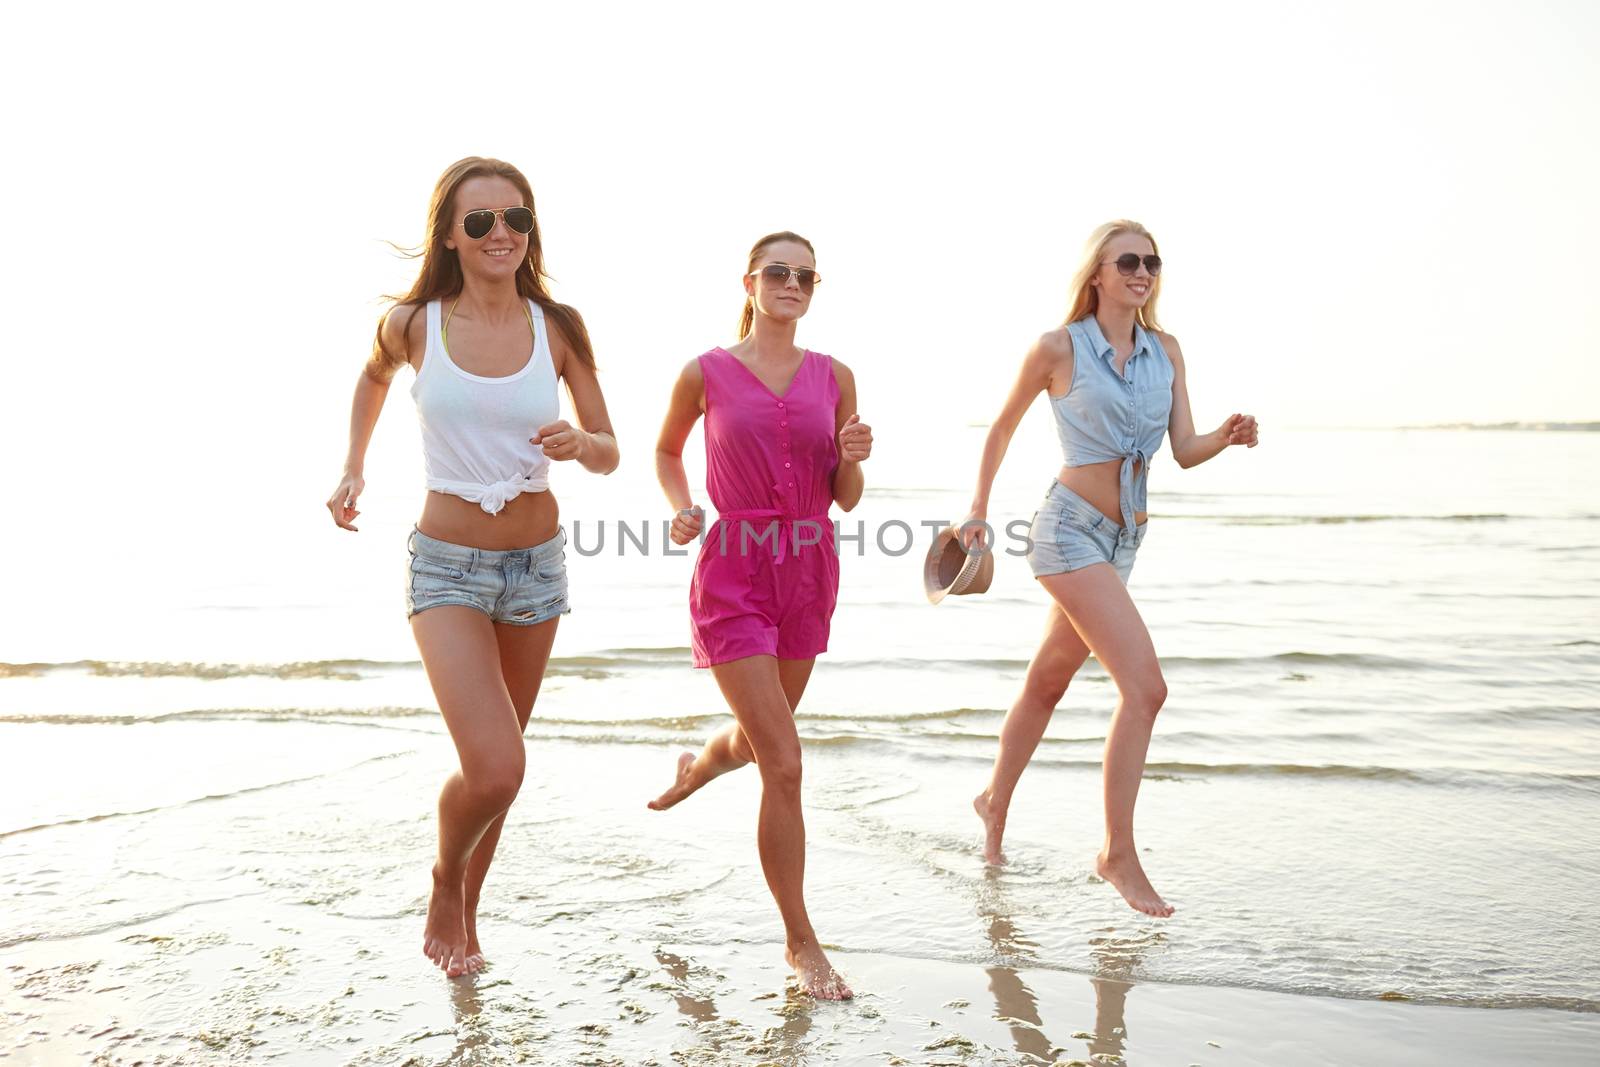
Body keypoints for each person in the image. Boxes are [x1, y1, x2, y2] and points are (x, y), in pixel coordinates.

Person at [325, 157, 617, 977]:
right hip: (447, 568)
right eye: (481, 221)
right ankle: (444, 877)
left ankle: (469, 913)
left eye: (515, 219)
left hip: (536, 570)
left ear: (531, 232)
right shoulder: (416, 323)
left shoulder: (556, 328)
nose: (501, 235)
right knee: (497, 763)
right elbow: (373, 378)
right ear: (451, 234)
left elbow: (609, 447)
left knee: (501, 773)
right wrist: (352, 466)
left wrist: (579, 443)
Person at [964, 220, 1258, 917]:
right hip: (1066, 532)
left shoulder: (1167, 351)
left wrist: (1225, 434)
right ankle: (1116, 852)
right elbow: (1002, 427)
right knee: (1146, 688)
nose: (1143, 271)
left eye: (1152, 262)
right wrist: (977, 508)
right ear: (1096, 273)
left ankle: (992, 801)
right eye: (1129, 260)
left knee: (1048, 681)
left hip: (1124, 540)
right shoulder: (1058, 347)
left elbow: (1182, 449)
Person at [648, 231, 872, 999]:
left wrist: (853, 453)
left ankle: (700, 765)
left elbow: (846, 496)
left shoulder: (835, 376)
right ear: (749, 282)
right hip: (735, 569)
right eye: (778, 272)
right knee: (784, 758)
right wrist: (683, 508)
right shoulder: (704, 372)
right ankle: (801, 943)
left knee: (755, 739)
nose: (792, 283)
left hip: (810, 568)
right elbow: (667, 451)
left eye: (805, 275)